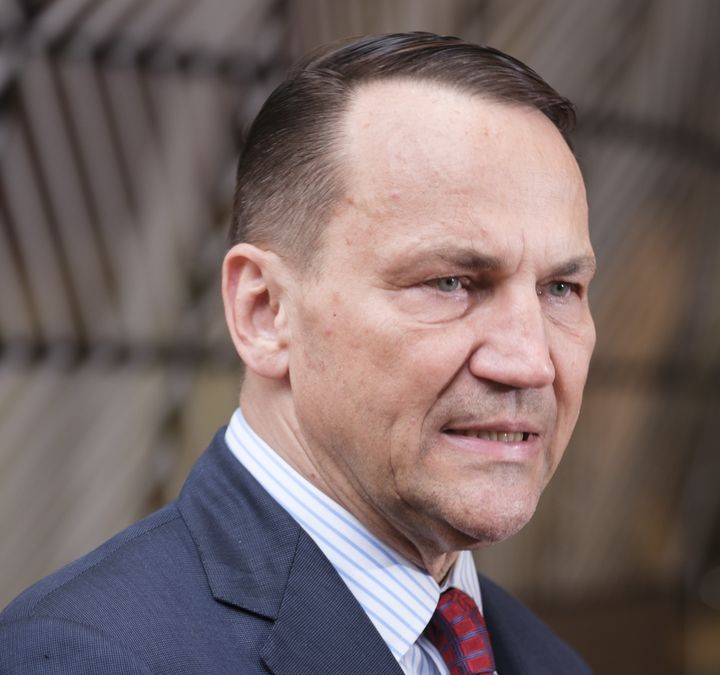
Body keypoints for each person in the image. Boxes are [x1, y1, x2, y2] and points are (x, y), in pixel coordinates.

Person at [0, 32, 596, 674]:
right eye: (450, 282)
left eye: (560, 288)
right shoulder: (89, 658)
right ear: (264, 312)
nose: (530, 361)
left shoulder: (544, 661)